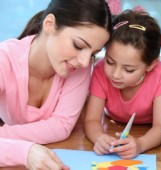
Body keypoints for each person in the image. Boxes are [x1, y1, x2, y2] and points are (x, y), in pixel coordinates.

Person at [0, 0, 112, 169]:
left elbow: (62, 125)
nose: (84, 61)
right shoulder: (4, 60)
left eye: (93, 53)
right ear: (49, 24)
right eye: (79, 45)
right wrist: (25, 152)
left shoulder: (78, 66)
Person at [84, 10, 161, 159]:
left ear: (150, 65)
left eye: (128, 69)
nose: (115, 74)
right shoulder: (100, 70)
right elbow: (92, 120)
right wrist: (99, 138)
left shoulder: (160, 73)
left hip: (147, 129)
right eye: (110, 62)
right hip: (113, 124)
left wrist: (141, 144)